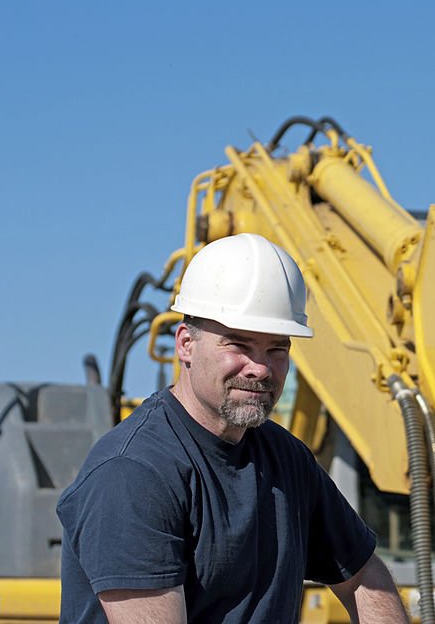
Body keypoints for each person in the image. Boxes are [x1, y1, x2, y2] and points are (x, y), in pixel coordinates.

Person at [57, 233, 407, 623]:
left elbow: (364, 576)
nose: (260, 368)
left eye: (277, 348)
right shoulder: (134, 472)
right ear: (186, 344)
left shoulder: (286, 458)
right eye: (238, 345)